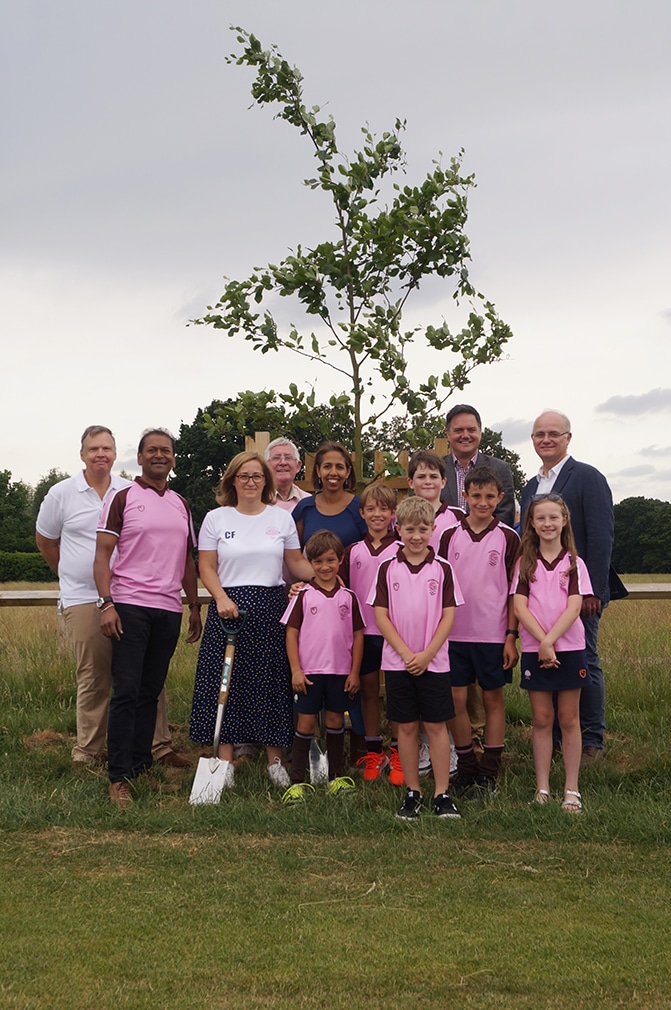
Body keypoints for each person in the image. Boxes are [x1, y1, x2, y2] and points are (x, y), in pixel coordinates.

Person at [35, 425, 183, 768]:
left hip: (132, 596)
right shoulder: (62, 493)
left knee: (146, 676)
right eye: (93, 448)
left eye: (107, 448)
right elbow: (45, 541)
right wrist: (68, 575)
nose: (100, 454)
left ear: (116, 454)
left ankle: (157, 746)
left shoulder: (129, 490)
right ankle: (88, 751)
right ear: (82, 453)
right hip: (85, 597)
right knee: (95, 675)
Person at [188, 451, 314, 789]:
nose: (250, 482)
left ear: (266, 481)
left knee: (271, 682)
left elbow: (296, 564)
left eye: (257, 476)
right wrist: (221, 598)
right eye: (243, 476)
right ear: (232, 480)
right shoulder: (217, 518)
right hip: (227, 609)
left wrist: (326, 576)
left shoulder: (281, 519)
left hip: (271, 607)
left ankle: (275, 761)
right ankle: (225, 760)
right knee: (226, 685)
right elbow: (207, 567)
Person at [94, 428, 202, 805]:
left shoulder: (181, 504)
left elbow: (188, 561)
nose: (160, 455)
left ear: (173, 459)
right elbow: (102, 556)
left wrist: (194, 606)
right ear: (139, 458)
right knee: (125, 691)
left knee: (149, 691)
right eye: (152, 450)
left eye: (166, 451)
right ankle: (118, 777)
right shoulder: (123, 499)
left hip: (168, 609)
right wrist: (106, 603)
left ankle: (140, 767)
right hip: (129, 606)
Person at [521, 410, 614, 764]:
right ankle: (558, 736)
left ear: (568, 438)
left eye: (553, 434)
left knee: (584, 659)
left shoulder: (587, 477)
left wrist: (595, 593)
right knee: (549, 660)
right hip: (539, 595)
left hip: (578, 594)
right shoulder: (532, 485)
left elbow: (601, 535)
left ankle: (591, 737)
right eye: (539, 434)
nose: (546, 439)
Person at [370, 496, 463, 820]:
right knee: (406, 728)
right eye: (410, 529)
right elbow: (381, 616)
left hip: (434, 662)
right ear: (398, 529)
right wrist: (408, 654)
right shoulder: (386, 567)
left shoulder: (443, 568)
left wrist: (426, 654)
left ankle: (441, 793)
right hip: (398, 662)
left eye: (423, 529)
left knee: (436, 726)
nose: (416, 536)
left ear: (433, 530)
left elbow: (448, 616)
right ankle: (413, 792)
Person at [437, 466, 520, 794]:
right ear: (465, 497)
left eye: (489, 496)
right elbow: (440, 585)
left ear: (500, 498)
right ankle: (467, 765)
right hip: (455, 633)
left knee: (492, 699)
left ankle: (490, 770)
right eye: (476, 496)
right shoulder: (449, 536)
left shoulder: (508, 537)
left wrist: (511, 636)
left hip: (492, 635)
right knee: (456, 698)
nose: (482, 502)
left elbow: (515, 590)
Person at [512, 493, 593, 811]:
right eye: (540, 518)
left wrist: (551, 641)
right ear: (531, 522)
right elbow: (519, 606)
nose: (547, 523)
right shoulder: (524, 563)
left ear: (564, 520)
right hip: (534, 648)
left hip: (569, 647)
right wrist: (541, 642)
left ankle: (571, 789)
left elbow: (575, 607)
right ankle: (542, 788)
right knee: (542, 718)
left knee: (569, 718)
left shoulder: (574, 563)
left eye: (553, 517)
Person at [281, 530, 364, 803]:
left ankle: (336, 778)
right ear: (310, 563)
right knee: (305, 723)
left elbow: (358, 635)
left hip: (340, 673)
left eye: (331, 560)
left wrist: (354, 671)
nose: (325, 567)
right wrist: (295, 669)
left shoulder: (349, 597)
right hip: (309, 673)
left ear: (340, 560)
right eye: (318, 562)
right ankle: (297, 782)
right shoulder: (303, 595)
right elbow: (291, 633)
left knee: (335, 720)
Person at [339, 483, 402, 783]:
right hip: (362, 633)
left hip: (395, 634)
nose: (378, 514)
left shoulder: (403, 549)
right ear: (362, 512)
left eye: (384, 509)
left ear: (393, 514)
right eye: (371, 508)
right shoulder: (352, 551)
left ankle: (400, 753)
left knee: (398, 693)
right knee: (367, 692)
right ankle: (373, 751)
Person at [406, 449, 464, 773]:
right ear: (410, 481)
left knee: (447, 688)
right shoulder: (400, 518)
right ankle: (426, 747)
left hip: (448, 613)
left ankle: (451, 748)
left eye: (433, 476)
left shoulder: (456, 517)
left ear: (444, 481)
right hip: (413, 616)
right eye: (421, 476)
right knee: (420, 682)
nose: (427, 481)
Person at [440, 404, 515, 526]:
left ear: (480, 432)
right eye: (458, 430)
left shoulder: (500, 469)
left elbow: (505, 515)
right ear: (448, 434)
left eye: (471, 430)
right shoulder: (436, 470)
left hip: (488, 543)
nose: (465, 435)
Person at [291, 442, 367, 549]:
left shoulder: (360, 508)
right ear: (318, 471)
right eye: (327, 466)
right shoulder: (304, 508)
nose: (333, 472)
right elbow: (294, 555)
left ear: (348, 472)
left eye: (339, 467)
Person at [264, 437, 311, 511]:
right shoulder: (258, 499)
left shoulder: (308, 501)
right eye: (276, 458)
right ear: (266, 466)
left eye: (288, 458)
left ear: (298, 466)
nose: (283, 463)